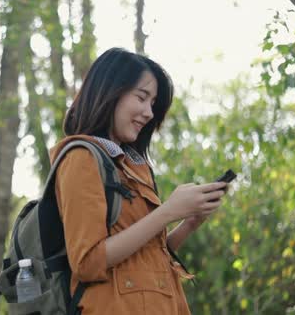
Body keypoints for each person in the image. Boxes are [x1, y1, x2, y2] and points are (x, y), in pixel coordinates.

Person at [49, 47, 228, 314]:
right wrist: (167, 211)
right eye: (141, 97)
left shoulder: (133, 166)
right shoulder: (81, 158)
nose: (149, 113)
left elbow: (146, 256)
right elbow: (87, 262)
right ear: (110, 92)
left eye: (153, 104)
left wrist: (188, 222)